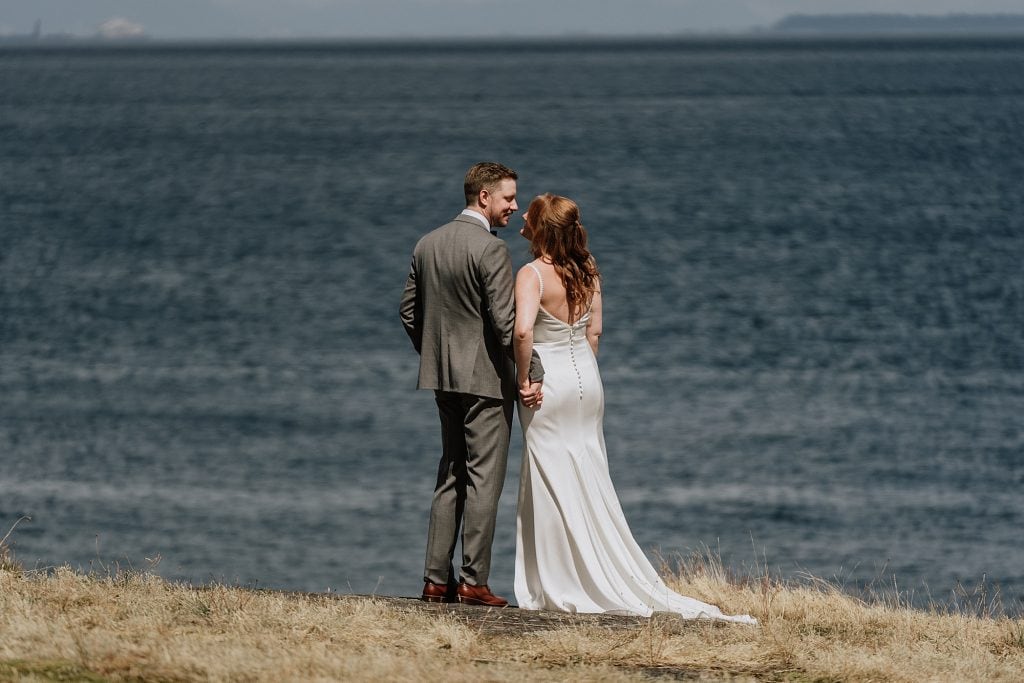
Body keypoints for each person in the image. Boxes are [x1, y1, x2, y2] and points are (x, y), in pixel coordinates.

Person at [512, 193, 756, 624]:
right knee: (589, 470)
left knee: (550, 476)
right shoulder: (588, 270)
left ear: (542, 228)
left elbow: (523, 331)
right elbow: (595, 333)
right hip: (588, 381)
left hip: (549, 381)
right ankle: (602, 566)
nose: (522, 219)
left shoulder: (531, 275)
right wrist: (586, 377)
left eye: (529, 215)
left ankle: (562, 579)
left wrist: (524, 380)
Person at [399, 162, 544, 607]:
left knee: (450, 475)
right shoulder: (491, 251)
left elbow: (408, 312)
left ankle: (434, 581)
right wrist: (534, 368)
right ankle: (472, 581)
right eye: (508, 199)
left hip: (443, 379)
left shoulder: (428, 243)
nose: (514, 206)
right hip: (485, 382)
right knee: (485, 480)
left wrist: (439, 355)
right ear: (484, 197)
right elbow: (506, 324)